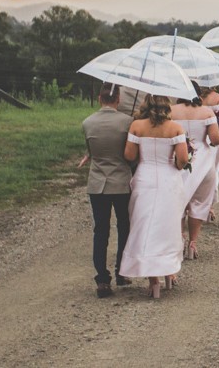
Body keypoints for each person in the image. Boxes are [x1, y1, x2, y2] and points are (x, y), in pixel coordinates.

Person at [119, 95, 188, 299]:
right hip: (169, 180)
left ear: (146, 105)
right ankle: (169, 273)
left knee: (145, 225)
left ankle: (153, 282)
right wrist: (175, 164)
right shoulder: (175, 128)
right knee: (168, 225)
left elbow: (129, 156)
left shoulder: (137, 126)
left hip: (145, 178)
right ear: (167, 106)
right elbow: (183, 159)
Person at [79, 85, 133, 298]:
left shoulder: (87, 123)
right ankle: (122, 270)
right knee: (124, 227)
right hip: (121, 182)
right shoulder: (127, 122)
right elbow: (131, 154)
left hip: (97, 183)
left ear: (99, 99)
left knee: (100, 231)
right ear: (118, 99)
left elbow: (92, 152)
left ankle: (102, 278)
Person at [171, 85, 219, 261]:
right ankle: (193, 243)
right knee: (199, 202)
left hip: (178, 160)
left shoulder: (170, 111)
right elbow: (215, 140)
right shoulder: (207, 113)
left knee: (178, 199)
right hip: (203, 162)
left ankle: (179, 238)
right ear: (197, 93)